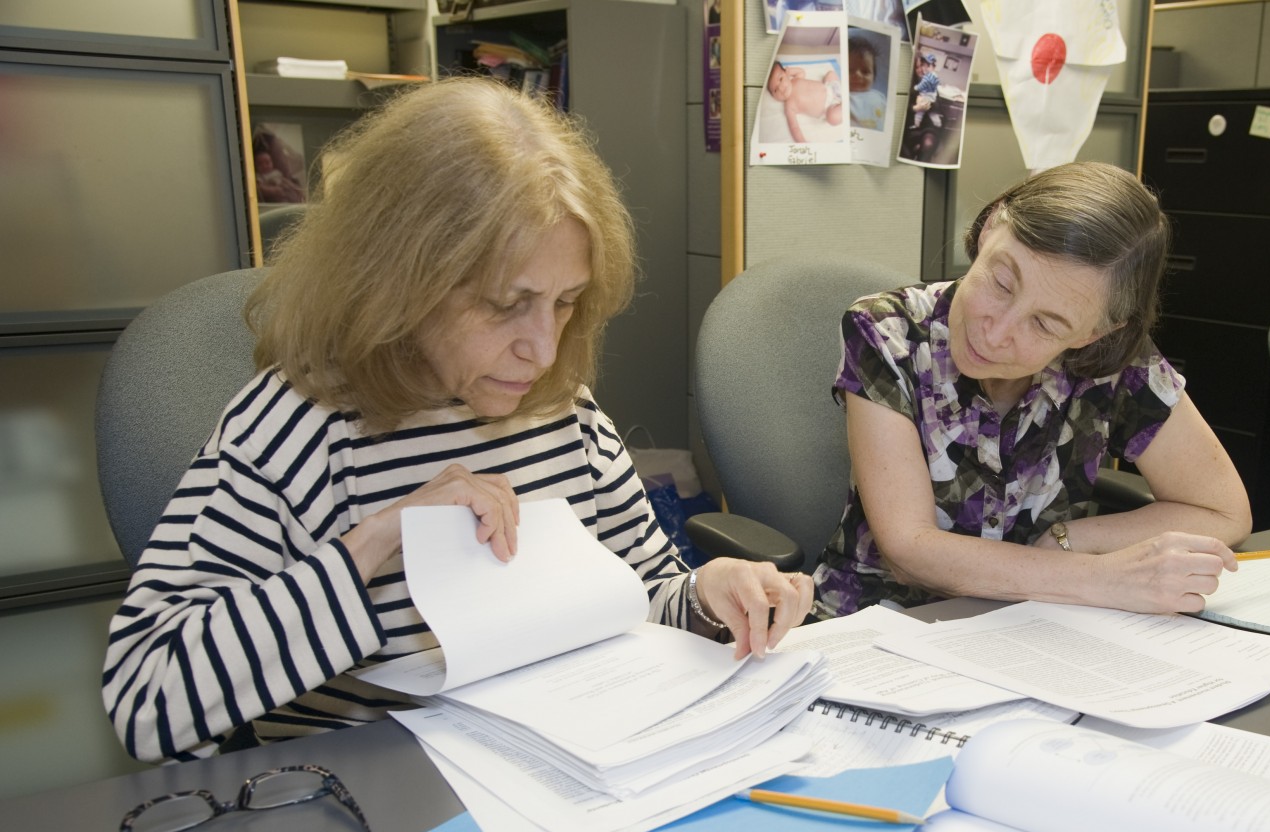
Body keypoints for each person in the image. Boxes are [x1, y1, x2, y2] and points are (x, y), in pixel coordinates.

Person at [104, 78, 811, 764]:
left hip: (560, 770)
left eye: (565, 302)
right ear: (399, 283)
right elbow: (147, 702)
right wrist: (378, 539)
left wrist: (710, 596)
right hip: (377, 804)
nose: (544, 349)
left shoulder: (561, 405)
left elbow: (642, 595)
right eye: (507, 304)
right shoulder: (298, 426)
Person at [811, 162, 1251, 621]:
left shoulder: (1117, 363)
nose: (996, 333)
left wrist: (1071, 538)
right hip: (877, 622)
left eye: (1044, 324)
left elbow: (1222, 511)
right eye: (1001, 283)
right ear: (990, 227)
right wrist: (1101, 578)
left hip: (1037, 622)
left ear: (1094, 333)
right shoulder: (888, 332)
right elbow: (910, 550)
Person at [766, 62, 843, 144]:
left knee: (830, 74)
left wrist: (790, 71)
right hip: (829, 107)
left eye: (781, 79)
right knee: (832, 118)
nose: (781, 88)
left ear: (786, 74)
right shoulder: (789, 106)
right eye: (775, 90)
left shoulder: (795, 80)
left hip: (830, 87)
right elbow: (794, 128)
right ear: (774, 97)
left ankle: (842, 94)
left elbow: (801, 71)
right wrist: (802, 142)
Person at [847, 33, 886, 130]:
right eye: (850, 70)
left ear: (873, 76)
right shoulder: (841, 94)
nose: (857, 75)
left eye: (865, 71)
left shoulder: (879, 97)